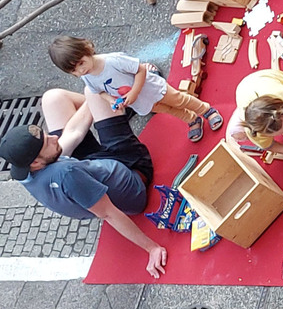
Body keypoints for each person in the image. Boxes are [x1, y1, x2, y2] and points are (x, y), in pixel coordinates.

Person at [0, 88, 167, 278]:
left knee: (53, 99)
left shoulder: (27, 170)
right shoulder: (66, 174)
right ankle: (121, 106)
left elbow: (74, 133)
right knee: (93, 90)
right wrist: (151, 248)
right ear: (36, 162)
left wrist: (96, 93)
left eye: (47, 136)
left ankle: (114, 107)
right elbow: (108, 214)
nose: (54, 138)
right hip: (133, 171)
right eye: (47, 143)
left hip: (93, 166)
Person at [48, 34, 222, 143]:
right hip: (139, 102)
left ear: (87, 49)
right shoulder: (87, 77)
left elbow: (140, 69)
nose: (81, 70)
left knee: (179, 99)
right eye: (74, 70)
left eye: (81, 63)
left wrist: (134, 92)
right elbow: (99, 91)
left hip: (150, 89)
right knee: (168, 110)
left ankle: (206, 110)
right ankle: (192, 119)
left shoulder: (113, 61)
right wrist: (112, 101)